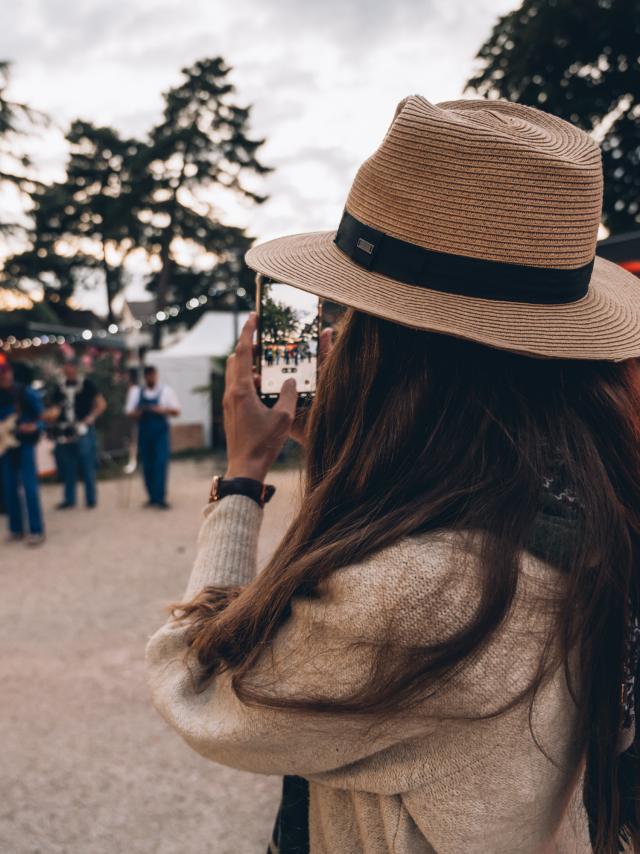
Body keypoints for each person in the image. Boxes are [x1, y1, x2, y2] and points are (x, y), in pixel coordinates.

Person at [145, 96, 640, 853]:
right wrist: (347, 453)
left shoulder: (423, 593)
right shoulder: (585, 504)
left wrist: (241, 478)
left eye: (355, 315)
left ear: (400, 352)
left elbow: (202, 684)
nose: (337, 336)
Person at [47, 358, 106, 510]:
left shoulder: (86, 385)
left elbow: (101, 403)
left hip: (83, 429)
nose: (67, 370)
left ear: (75, 368)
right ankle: (69, 499)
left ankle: (91, 498)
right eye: (65, 368)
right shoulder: (59, 387)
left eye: (70, 367)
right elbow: (54, 409)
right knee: (68, 466)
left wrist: (91, 417)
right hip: (65, 430)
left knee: (87, 465)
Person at [0, 358, 45, 545]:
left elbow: (43, 417)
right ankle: (16, 528)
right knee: (9, 487)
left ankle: (36, 529)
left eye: (5, 372)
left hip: (24, 442)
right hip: (5, 445)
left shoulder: (24, 392)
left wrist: (35, 426)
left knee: (29, 486)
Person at [125, 366, 180, 509]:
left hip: (160, 433)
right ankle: (152, 497)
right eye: (148, 375)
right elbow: (130, 412)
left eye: (153, 375)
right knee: (147, 465)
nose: (151, 378)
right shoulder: (136, 392)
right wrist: (138, 413)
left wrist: (162, 410)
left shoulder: (166, 391)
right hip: (144, 433)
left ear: (156, 375)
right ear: (145, 376)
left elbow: (176, 411)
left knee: (161, 463)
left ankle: (160, 497)